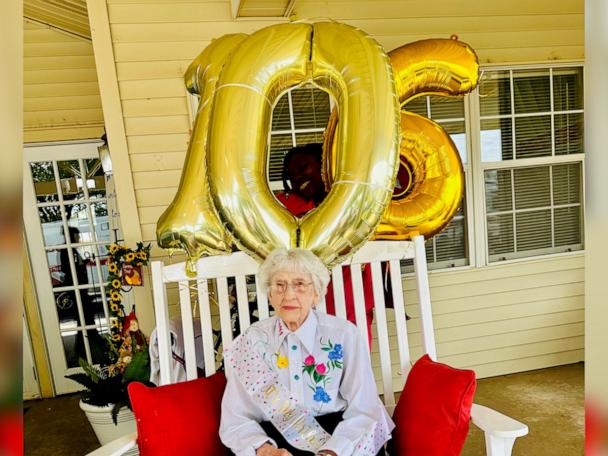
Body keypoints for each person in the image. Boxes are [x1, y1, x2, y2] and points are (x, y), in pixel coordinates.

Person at [220, 248, 394, 456]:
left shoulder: (343, 334)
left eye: (300, 284)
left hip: (337, 437)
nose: (288, 295)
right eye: (279, 285)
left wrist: (333, 451)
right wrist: (263, 449)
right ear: (270, 294)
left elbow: (365, 409)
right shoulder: (252, 340)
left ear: (317, 293)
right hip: (274, 443)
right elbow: (236, 418)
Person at [276, 144, 390, 348]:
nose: (297, 178)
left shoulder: (354, 205)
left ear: (325, 167)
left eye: (303, 168)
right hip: (312, 310)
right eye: (291, 175)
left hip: (355, 305)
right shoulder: (292, 210)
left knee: (354, 368)